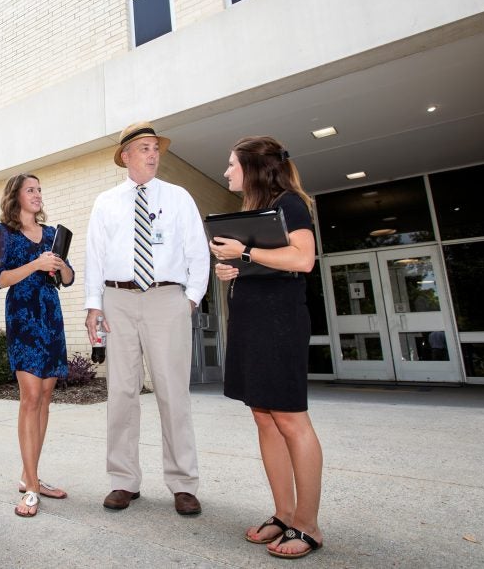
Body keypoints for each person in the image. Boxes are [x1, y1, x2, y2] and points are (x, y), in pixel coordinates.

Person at [84, 121, 210, 517]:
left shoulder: (179, 197)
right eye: (143, 148)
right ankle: (123, 480)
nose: (153, 154)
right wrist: (94, 305)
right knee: (121, 391)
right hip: (117, 299)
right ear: (125, 156)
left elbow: (197, 252)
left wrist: (189, 298)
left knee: (173, 392)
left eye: (155, 147)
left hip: (166, 298)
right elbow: (95, 256)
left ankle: (183, 483)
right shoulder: (106, 201)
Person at [211, 136, 324, 559]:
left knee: (291, 420)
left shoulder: (290, 203)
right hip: (251, 323)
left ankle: (308, 526)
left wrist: (247, 252)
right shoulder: (257, 212)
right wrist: (236, 268)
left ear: (253, 167)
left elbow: (302, 260)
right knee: (264, 419)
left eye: (231, 165)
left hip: (280, 325)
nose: (226, 173)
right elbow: (262, 263)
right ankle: (283, 514)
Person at [0, 173, 74, 517]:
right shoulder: (3, 233)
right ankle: (32, 488)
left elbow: (67, 279)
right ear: (16, 196)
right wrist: (35, 264)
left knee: (46, 400)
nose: (38, 195)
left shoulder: (52, 234)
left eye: (40, 190)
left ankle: (30, 476)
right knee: (30, 397)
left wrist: (60, 267)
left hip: (51, 317)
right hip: (23, 317)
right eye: (31, 190)